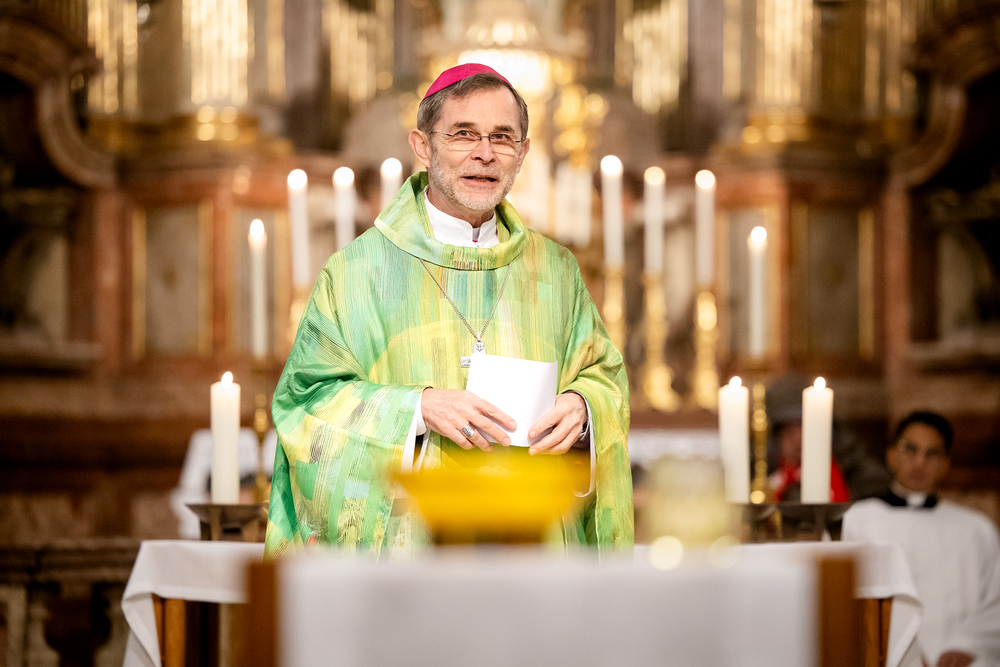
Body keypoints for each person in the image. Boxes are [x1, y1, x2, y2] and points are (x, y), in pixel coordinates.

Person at [264, 63, 633, 558]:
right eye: (463, 134)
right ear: (422, 146)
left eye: (502, 137)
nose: (485, 153)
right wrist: (417, 409)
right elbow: (307, 403)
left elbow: (603, 378)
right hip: (410, 553)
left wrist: (583, 410)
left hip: (532, 545)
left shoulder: (556, 271)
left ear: (523, 153)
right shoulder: (356, 272)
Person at [843, 412, 1000, 667]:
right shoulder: (857, 521)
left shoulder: (976, 529)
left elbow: (996, 600)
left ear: (945, 464)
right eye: (910, 449)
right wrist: (904, 651)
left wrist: (967, 644)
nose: (920, 462)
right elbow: (850, 599)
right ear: (891, 455)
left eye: (932, 453)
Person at [765, 373, 891, 501]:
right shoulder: (766, 464)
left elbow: (879, 485)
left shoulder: (847, 454)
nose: (798, 438)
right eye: (788, 430)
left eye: (804, 425)